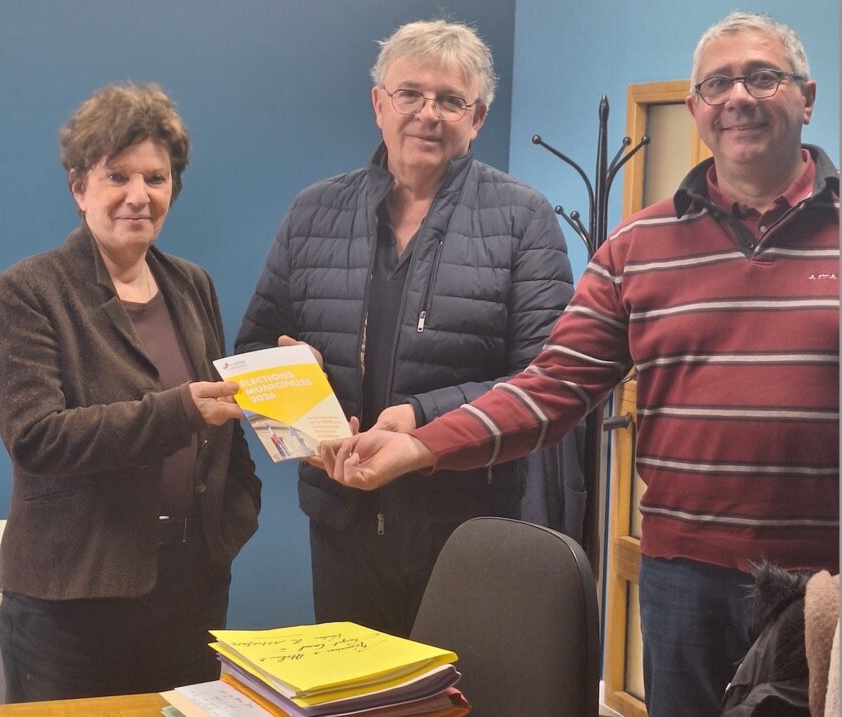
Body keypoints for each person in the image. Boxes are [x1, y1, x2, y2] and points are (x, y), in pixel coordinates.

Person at [321, 12, 839, 716]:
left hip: (825, 579)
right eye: (716, 83)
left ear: (805, 97)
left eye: (761, 77)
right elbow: (552, 387)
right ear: (694, 110)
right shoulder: (638, 244)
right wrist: (418, 443)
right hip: (679, 576)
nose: (737, 97)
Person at [235, 19, 573, 638]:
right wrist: (295, 395)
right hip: (341, 521)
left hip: (468, 527)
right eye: (410, 94)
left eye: (451, 100)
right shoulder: (314, 212)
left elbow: (544, 380)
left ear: (477, 118)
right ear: (378, 105)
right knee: (352, 697)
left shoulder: (524, 218)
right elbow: (254, 349)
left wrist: (419, 415)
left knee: (458, 695)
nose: (428, 113)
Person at [0, 83, 262, 702]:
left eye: (157, 178)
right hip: (71, 604)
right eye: (117, 175)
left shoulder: (192, 285)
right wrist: (179, 411)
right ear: (78, 186)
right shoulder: (30, 291)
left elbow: (220, 423)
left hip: (190, 592)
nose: (139, 195)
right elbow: (36, 438)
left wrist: (232, 520)